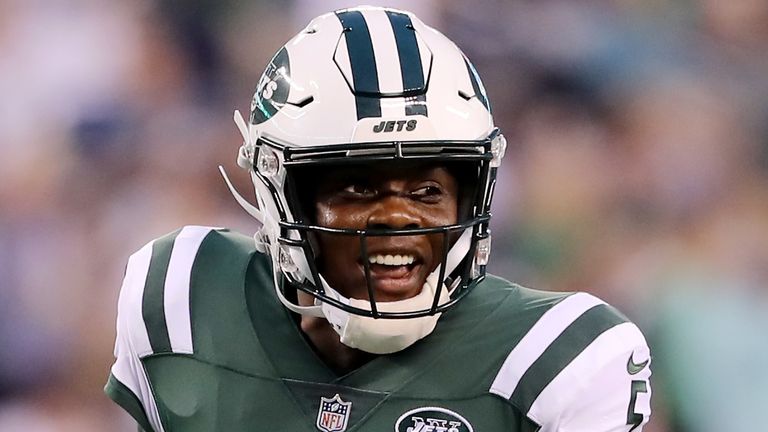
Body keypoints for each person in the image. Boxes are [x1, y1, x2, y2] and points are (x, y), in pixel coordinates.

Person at [104, 6, 652, 431]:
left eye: (427, 190)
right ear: (281, 194)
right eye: (359, 188)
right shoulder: (182, 299)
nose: (398, 216)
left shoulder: (558, 358)